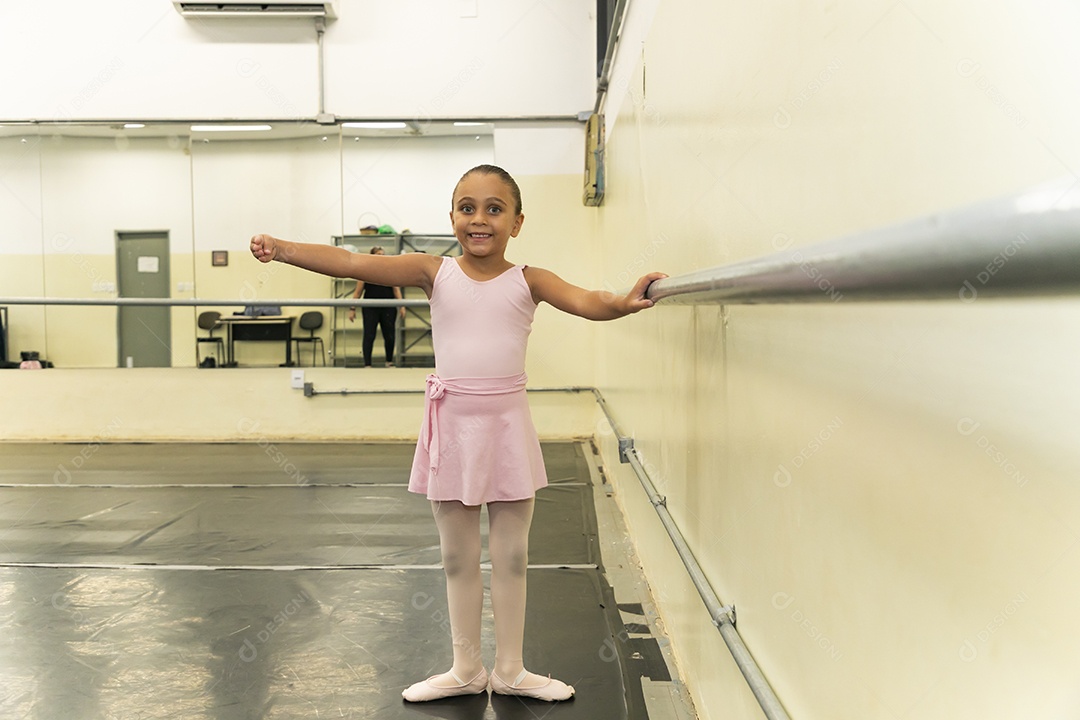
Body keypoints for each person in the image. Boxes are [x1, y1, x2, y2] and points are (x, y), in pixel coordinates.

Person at [250, 164, 665, 703]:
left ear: (517, 222)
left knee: (512, 557)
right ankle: (467, 668)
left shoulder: (530, 279)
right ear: (452, 218)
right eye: (467, 208)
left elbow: (588, 300)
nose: (479, 219)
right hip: (451, 430)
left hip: (507, 428)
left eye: (494, 209)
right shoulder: (433, 271)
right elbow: (352, 263)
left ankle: (511, 670)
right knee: (457, 558)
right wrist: (283, 249)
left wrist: (625, 301)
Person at [347, 246, 405, 367]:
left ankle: (389, 361)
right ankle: (367, 364)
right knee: (369, 335)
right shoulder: (364, 272)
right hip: (370, 308)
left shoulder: (390, 272)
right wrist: (352, 309)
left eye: (383, 254)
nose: (381, 257)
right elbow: (357, 292)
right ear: (372, 256)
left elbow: (396, 290)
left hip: (388, 307)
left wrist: (402, 306)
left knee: (389, 335)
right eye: (378, 254)